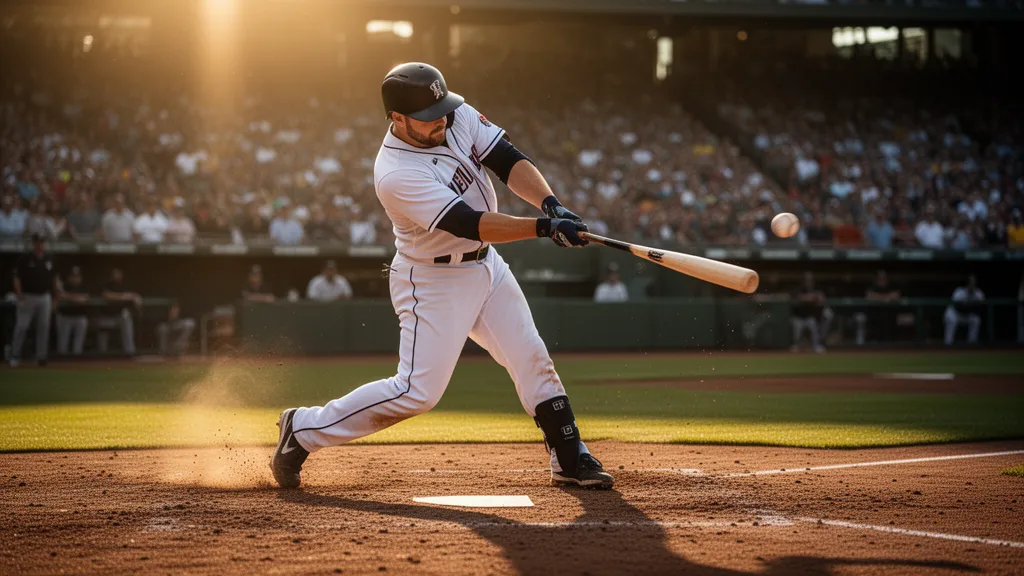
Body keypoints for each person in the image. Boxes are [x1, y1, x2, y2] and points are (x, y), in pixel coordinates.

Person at [271, 62, 612, 491]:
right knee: (417, 392)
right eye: (429, 119)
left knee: (531, 356)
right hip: (433, 281)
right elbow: (469, 222)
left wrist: (551, 205)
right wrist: (542, 229)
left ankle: (568, 454)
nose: (442, 122)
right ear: (397, 119)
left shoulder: (452, 113)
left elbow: (507, 159)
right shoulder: (395, 173)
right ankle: (301, 429)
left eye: (443, 111)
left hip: (487, 266)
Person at [9, 233, 58, 367]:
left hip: (44, 296)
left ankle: (41, 357)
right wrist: (19, 295)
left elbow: (54, 279)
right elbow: (17, 277)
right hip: (28, 296)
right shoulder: (25, 258)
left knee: (44, 327)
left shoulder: (50, 257)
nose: (40, 244)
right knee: (22, 327)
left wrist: (55, 298)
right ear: (33, 243)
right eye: (38, 242)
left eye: (42, 242)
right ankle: (14, 355)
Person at [854, 270, 902, 346]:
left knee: (889, 340)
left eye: (884, 279)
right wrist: (886, 298)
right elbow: (869, 295)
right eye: (880, 279)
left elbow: (897, 295)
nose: (882, 281)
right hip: (874, 319)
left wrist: (879, 297)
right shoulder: (873, 287)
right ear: (876, 280)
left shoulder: (891, 287)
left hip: (889, 319)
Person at [97, 268, 138, 355]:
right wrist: (124, 296)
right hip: (106, 317)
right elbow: (106, 295)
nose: (116, 276)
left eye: (118, 274)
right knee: (101, 330)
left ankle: (130, 352)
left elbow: (133, 296)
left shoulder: (124, 286)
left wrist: (135, 297)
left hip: (119, 317)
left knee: (126, 317)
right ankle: (101, 355)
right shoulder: (106, 285)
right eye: (114, 274)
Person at [790, 272, 828, 353]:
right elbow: (798, 296)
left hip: (809, 317)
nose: (809, 282)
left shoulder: (816, 288)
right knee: (797, 329)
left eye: (810, 280)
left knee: (813, 326)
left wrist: (816, 297)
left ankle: (816, 346)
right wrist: (812, 297)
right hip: (799, 317)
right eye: (807, 280)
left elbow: (822, 298)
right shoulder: (800, 288)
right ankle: (797, 345)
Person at [56, 266, 90, 356]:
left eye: (77, 276)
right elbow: (59, 296)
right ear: (69, 277)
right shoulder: (64, 286)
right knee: (63, 345)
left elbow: (85, 299)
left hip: (80, 317)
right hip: (65, 317)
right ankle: (62, 364)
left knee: (78, 347)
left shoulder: (84, 287)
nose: (75, 279)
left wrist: (68, 296)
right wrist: (75, 298)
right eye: (73, 276)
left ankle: (76, 364)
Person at [944, 274, 985, 346]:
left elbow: (982, 304)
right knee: (951, 318)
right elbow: (957, 306)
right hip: (955, 314)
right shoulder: (959, 291)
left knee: (976, 320)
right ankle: (948, 344)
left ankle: (972, 343)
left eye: (974, 282)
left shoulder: (978, 293)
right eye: (971, 282)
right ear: (967, 283)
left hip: (967, 315)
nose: (972, 284)